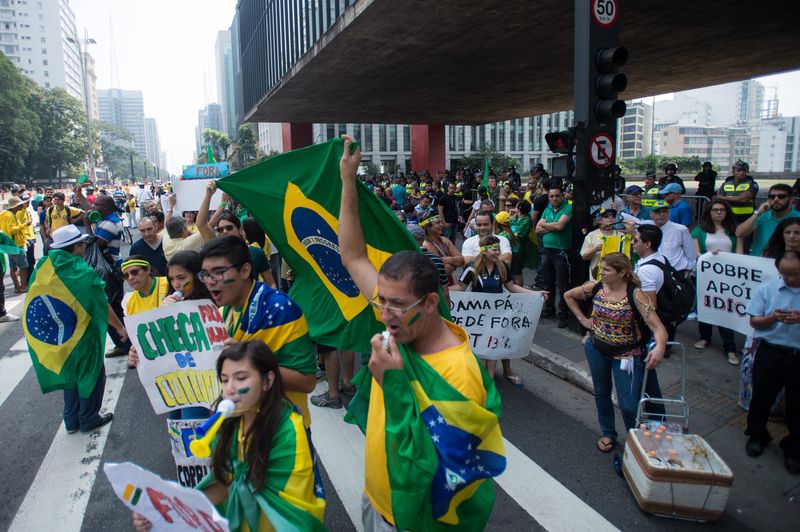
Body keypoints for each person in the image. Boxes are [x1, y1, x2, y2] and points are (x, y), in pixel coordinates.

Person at [338, 136, 504, 530]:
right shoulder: (401, 321)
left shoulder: (459, 373)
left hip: (413, 519)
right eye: (381, 301)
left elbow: (438, 471)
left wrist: (394, 385)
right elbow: (353, 256)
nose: (385, 314)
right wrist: (348, 180)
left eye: (396, 305)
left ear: (431, 303)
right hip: (378, 500)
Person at [132, 341, 326, 531]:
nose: (230, 389)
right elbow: (226, 483)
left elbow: (289, 509)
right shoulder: (229, 424)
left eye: (241, 378)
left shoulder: (289, 429)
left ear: (267, 381)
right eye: (224, 380)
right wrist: (165, 511)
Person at [199, 236, 316, 427]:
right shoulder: (223, 311)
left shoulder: (280, 310)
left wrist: (249, 360)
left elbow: (307, 382)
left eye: (218, 272)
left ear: (245, 270)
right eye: (204, 274)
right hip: (242, 423)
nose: (209, 281)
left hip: (283, 429)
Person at [26, 225, 127, 434]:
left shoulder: (43, 267)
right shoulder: (81, 271)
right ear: (75, 247)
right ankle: (89, 418)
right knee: (92, 375)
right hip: (83, 336)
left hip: (59, 336)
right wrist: (119, 327)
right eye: (82, 243)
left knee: (70, 377)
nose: (84, 246)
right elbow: (101, 303)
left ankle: (71, 421)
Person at [564, 253, 667, 452]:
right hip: (596, 349)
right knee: (601, 393)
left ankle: (636, 443)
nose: (601, 272)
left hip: (628, 355)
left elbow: (658, 328)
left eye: (607, 269)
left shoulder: (636, 295)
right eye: (601, 268)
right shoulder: (596, 287)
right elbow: (568, 295)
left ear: (621, 273)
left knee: (629, 405)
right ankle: (608, 433)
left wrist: (660, 347)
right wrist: (583, 320)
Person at [454, 234, 541, 385]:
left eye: (498, 249)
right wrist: (441, 291)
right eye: (494, 249)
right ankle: (481, 382)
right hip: (477, 315)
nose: (498, 252)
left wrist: (535, 294)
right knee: (481, 350)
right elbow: (460, 287)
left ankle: (490, 381)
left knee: (493, 348)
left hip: (496, 315)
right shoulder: (472, 267)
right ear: (484, 251)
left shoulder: (503, 267)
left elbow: (512, 287)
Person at [744, 251, 800, 475]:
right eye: (785, 274)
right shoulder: (767, 290)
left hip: (797, 355)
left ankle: (794, 447)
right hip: (771, 352)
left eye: (795, 274)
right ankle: (757, 435)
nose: (790, 279)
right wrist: (773, 318)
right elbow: (754, 320)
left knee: (797, 404)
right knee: (761, 397)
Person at [690, 200, 742, 365]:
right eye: (715, 210)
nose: (719, 213)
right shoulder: (699, 230)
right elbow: (697, 252)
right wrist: (709, 256)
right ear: (709, 212)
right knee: (705, 306)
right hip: (706, 275)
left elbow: (739, 253)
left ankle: (730, 347)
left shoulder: (733, 231)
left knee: (725, 308)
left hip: (726, 277)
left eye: (722, 210)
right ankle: (705, 337)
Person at [535, 186, 574, 328]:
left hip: (561, 251)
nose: (554, 198)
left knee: (563, 284)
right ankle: (549, 309)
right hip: (547, 250)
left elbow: (560, 226)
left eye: (557, 195)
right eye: (551, 196)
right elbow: (537, 229)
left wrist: (545, 225)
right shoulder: (548, 209)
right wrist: (553, 226)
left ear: (562, 196)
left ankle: (563, 314)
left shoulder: (568, 208)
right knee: (547, 282)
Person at [736, 183, 800, 257]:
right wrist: (757, 213)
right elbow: (739, 233)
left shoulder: (797, 217)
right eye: (772, 197)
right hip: (758, 261)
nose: (776, 199)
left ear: (791, 199)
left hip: (785, 262)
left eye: (781, 196)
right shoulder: (762, 216)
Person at [214, 212, 277, 288]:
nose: (225, 231)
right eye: (220, 230)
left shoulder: (256, 252)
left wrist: (272, 295)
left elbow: (271, 283)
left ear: (240, 229)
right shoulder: (217, 255)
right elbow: (202, 225)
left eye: (229, 228)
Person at [161, 186, 214, 261]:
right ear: (184, 230)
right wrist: (220, 201)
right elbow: (205, 226)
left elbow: (166, 222)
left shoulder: (167, 239)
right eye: (186, 226)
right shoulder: (186, 245)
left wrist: (171, 206)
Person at [580, 208, 630, 282]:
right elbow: (584, 257)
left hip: (616, 278)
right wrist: (595, 249)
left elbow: (627, 258)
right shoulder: (592, 235)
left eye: (613, 216)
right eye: (606, 216)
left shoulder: (621, 236)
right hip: (597, 277)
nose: (611, 218)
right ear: (599, 220)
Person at [419, 211, 464, 287]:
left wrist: (447, 260)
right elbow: (443, 271)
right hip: (440, 285)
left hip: (450, 280)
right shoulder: (427, 245)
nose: (442, 225)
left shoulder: (444, 240)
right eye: (438, 223)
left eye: (441, 222)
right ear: (428, 227)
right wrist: (455, 264)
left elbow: (461, 260)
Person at [718, 160, 759, 236]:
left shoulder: (752, 184)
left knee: (745, 242)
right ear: (733, 172)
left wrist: (725, 198)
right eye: (738, 170)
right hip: (729, 220)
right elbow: (719, 200)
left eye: (744, 170)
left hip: (747, 220)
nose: (742, 172)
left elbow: (743, 199)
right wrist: (736, 198)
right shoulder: (725, 184)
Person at [0, 197, 29, 292]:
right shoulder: (10, 215)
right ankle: (23, 286)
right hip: (15, 244)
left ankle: (17, 287)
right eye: (20, 205)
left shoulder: (4, 214)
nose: (21, 206)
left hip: (9, 245)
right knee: (23, 266)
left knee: (13, 267)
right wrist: (25, 224)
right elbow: (12, 230)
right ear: (15, 206)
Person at [510, 200, 534, 286]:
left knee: (517, 272)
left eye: (516, 206)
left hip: (518, 248)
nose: (514, 208)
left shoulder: (526, 219)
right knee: (512, 271)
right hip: (513, 247)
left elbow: (517, 234)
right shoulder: (517, 217)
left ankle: (519, 291)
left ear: (519, 208)